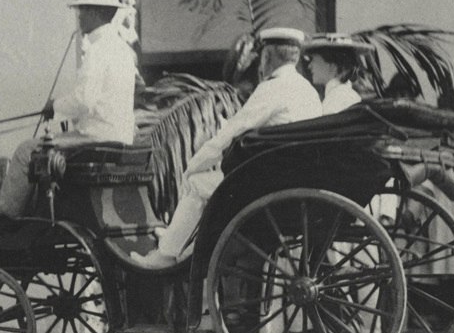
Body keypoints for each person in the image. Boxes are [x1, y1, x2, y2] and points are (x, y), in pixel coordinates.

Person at [131, 28, 321, 269]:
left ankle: (166, 253)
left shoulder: (273, 87)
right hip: (297, 180)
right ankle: (182, 243)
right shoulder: (308, 91)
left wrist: (193, 166)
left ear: (268, 57)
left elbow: (228, 134)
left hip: (269, 184)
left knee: (197, 183)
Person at [0, 0, 137, 217]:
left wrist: (54, 105)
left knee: (26, 150)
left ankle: (4, 218)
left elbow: (84, 101)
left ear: (94, 11)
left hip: (95, 139)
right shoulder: (121, 49)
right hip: (117, 139)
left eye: (82, 10)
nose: (79, 17)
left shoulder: (99, 50)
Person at [304, 33, 372, 114]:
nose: (309, 66)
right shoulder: (342, 94)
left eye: (313, 60)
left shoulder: (336, 99)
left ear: (332, 65)